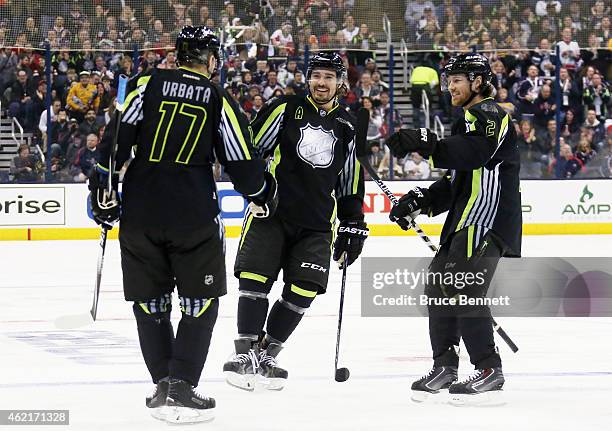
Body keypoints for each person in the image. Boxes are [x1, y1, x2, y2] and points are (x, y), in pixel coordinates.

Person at [87, 26, 276, 424]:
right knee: (200, 303)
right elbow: (242, 163)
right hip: (193, 214)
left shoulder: (140, 85)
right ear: (209, 60)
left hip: (141, 212)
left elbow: (113, 145)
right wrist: (262, 191)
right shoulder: (217, 97)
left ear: (178, 55)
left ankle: (162, 384)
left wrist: (104, 196)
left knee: (149, 302)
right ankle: (183, 385)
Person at [223, 52, 367, 391]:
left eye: (329, 77)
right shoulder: (286, 108)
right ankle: (245, 352)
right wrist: (258, 187)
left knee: (304, 290)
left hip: (317, 224)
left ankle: (267, 352)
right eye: (316, 75)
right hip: (272, 214)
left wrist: (353, 222)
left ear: (340, 82)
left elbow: (350, 178)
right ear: (307, 78)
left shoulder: (348, 124)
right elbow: (251, 145)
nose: (321, 82)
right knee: (255, 280)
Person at [385, 53, 521, 405]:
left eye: (457, 80)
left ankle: (489, 369)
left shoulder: (490, 114)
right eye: (449, 81)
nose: (451, 87)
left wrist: (426, 141)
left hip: (485, 220)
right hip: (463, 222)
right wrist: (419, 201)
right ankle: (445, 366)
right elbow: (457, 179)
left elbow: (474, 154)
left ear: (478, 82)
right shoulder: (466, 122)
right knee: (437, 286)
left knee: (463, 286)